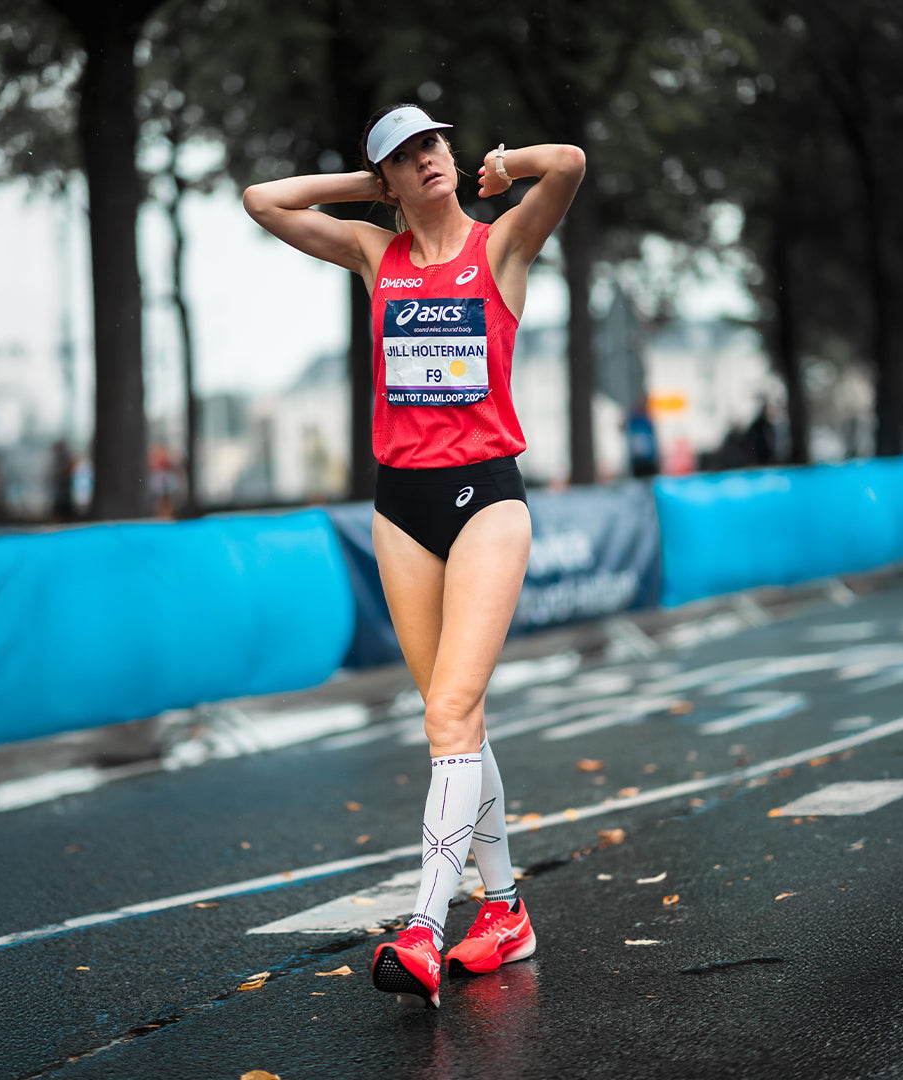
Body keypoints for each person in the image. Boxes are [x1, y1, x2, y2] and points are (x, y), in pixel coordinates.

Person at [244, 104, 585, 1009]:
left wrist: (507, 165)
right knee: (454, 720)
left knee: (450, 713)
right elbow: (262, 200)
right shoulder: (374, 254)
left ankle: (426, 926)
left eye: (432, 142)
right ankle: (505, 911)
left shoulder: (500, 245)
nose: (427, 157)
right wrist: (365, 186)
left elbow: (570, 163)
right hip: (401, 508)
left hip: (486, 497)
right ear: (387, 180)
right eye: (404, 155)